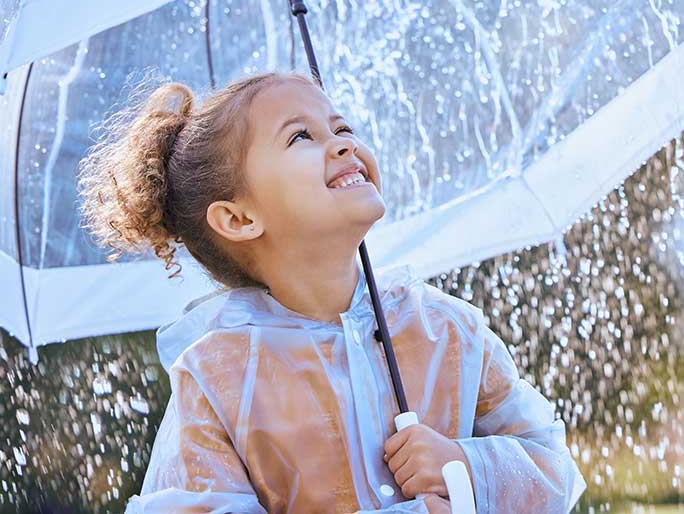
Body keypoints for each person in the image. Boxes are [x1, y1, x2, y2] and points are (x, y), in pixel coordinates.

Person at [77, 72, 587, 513]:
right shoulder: (217, 379)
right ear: (238, 217)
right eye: (301, 137)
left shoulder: (448, 331)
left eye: (341, 127)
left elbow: (554, 475)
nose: (344, 143)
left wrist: (465, 467)